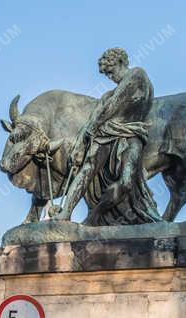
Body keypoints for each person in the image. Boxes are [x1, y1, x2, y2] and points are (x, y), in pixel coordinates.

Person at [50, 48, 160, 225]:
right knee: (89, 169)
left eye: (111, 72)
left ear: (121, 63)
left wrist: (92, 129)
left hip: (132, 134)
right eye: (107, 75)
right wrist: (80, 143)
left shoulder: (137, 75)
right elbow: (100, 111)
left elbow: (113, 105)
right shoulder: (109, 94)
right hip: (108, 133)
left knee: (127, 182)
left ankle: (96, 215)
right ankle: (66, 213)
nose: (110, 77)